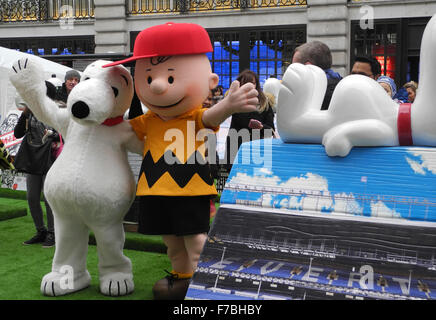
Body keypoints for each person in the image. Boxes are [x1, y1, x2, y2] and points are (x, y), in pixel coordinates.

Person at [103, 22, 259, 300]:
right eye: (148, 78)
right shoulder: (147, 120)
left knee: (196, 241)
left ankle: (206, 286)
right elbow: (121, 131)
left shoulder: (194, 116)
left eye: (171, 78)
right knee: (172, 243)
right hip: (155, 190)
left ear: (211, 82)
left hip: (190, 189)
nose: (159, 85)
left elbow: (212, 117)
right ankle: (182, 279)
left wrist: (229, 105)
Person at [13, 97, 59, 248]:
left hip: (50, 159)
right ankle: (41, 231)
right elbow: (18, 133)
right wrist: (25, 113)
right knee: (31, 197)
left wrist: (53, 135)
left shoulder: (54, 110)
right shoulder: (30, 113)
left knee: (48, 198)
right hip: (33, 158)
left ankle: (53, 233)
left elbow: (64, 134)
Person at [225, 69, 275, 167]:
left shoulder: (265, 103)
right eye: (245, 83)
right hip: (236, 148)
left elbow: (271, 130)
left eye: (252, 83)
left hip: (258, 150)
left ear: (256, 84)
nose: (248, 87)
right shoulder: (233, 101)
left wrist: (261, 127)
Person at [292, 41, 342, 110]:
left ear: (308, 67)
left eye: (295, 67)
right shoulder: (341, 85)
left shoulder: (310, 96)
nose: (291, 72)